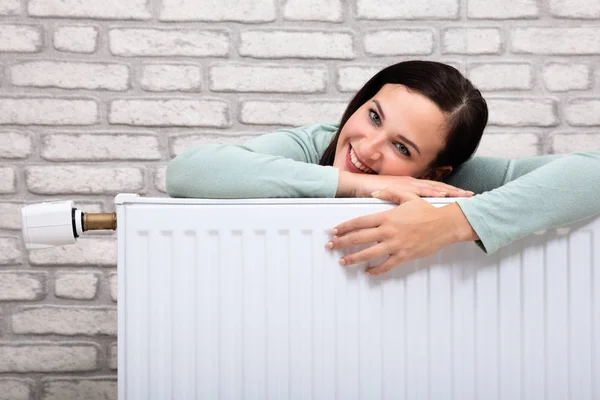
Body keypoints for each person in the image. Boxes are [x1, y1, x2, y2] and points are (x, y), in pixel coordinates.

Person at [166, 60, 600, 275]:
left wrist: (455, 221)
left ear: (436, 174)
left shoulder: (451, 187)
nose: (367, 148)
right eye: (374, 116)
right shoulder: (316, 143)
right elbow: (188, 171)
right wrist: (354, 185)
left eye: (402, 147)